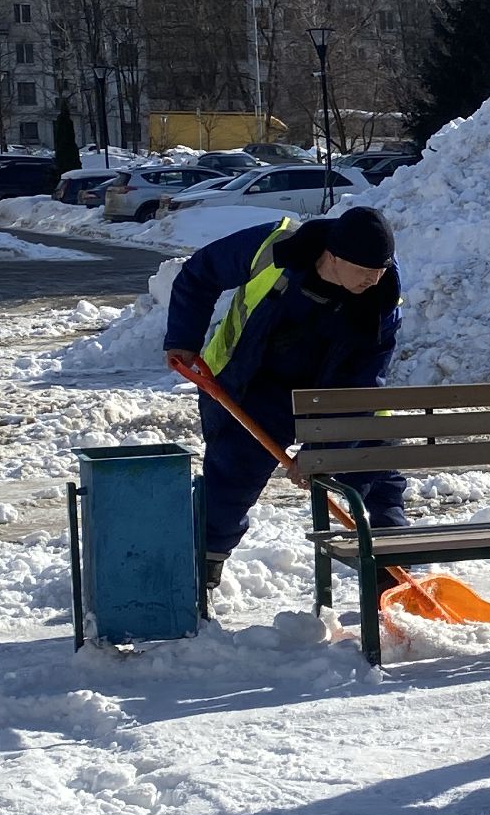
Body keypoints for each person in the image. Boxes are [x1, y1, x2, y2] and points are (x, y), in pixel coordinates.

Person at [163, 206, 408, 597]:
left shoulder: (383, 297)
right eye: (364, 271)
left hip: (332, 392)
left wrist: (322, 454)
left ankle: (393, 577)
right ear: (332, 256)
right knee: (232, 478)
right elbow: (201, 271)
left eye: (380, 270)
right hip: (254, 382)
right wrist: (183, 339)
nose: (374, 279)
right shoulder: (274, 246)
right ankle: (201, 569)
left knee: (377, 465)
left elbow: (360, 386)